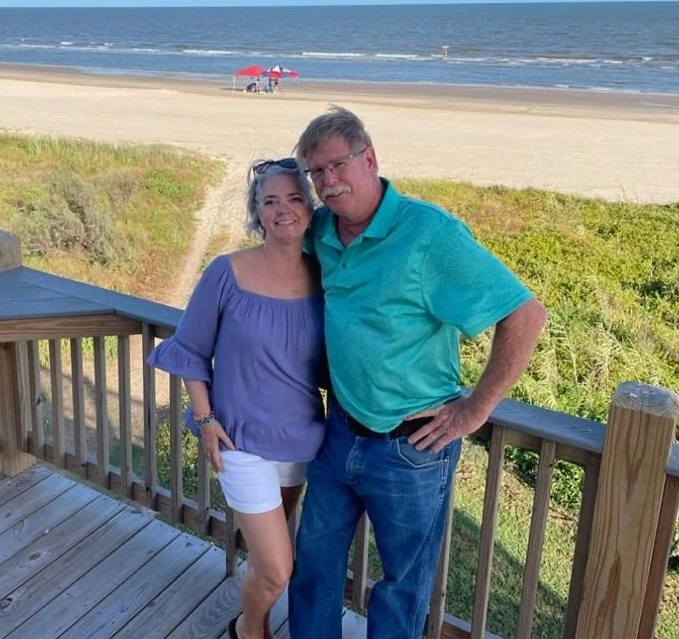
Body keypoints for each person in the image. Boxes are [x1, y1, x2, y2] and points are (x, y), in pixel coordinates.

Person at [288, 106, 547, 639]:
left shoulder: (427, 234)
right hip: (338, 433)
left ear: (370, 159)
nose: (329, 183)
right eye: (316, 173)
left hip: (412, 450)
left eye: (337, 165)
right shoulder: (322, 231)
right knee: (313, 567)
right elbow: (278, 233)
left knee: (402, 587)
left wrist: (474, 409)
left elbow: (525, 315)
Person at [147, 158, 327, 639]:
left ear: (310, 210)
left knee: (268, 554)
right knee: (276, 568)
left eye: (294, 199)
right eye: (270, 201)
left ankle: (256, 618)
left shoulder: (326, 278)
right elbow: (190, 351)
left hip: (301, 441)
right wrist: (205, 422)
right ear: (257, 213)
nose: (283, 210)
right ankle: (249, 630)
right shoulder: (227, 272)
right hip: (239, 440)